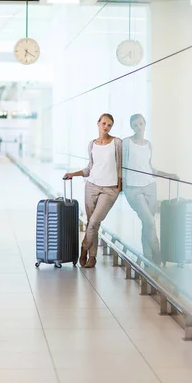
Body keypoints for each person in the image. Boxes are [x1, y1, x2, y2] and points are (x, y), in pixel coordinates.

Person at [63, 113, 122, 268]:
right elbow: (90, 168)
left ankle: (84, 249)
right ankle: (92, 257)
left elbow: (121, 166)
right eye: (104, 123)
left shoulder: (117, 143)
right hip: (92, 186)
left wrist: (119, 185)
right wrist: (73, 174)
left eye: (109, 125)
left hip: (110, 189)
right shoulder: (92, 144)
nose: (106, 127)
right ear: (98, 123)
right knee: (92, 223)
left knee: (94, 221)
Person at [123, 113, 177, 265]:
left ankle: (147, 257)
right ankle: (158, 255)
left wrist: (169, 174)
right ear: (131, 127)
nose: (139, 127)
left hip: (150, 187)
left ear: (145, 124)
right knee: (151, 222)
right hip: (134, 190)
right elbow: (121, 166)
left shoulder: (149, 145)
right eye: (135, 125)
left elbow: (150, 168)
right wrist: (123, 187)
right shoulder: (126, 143)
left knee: (146, 223)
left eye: (141, 124)